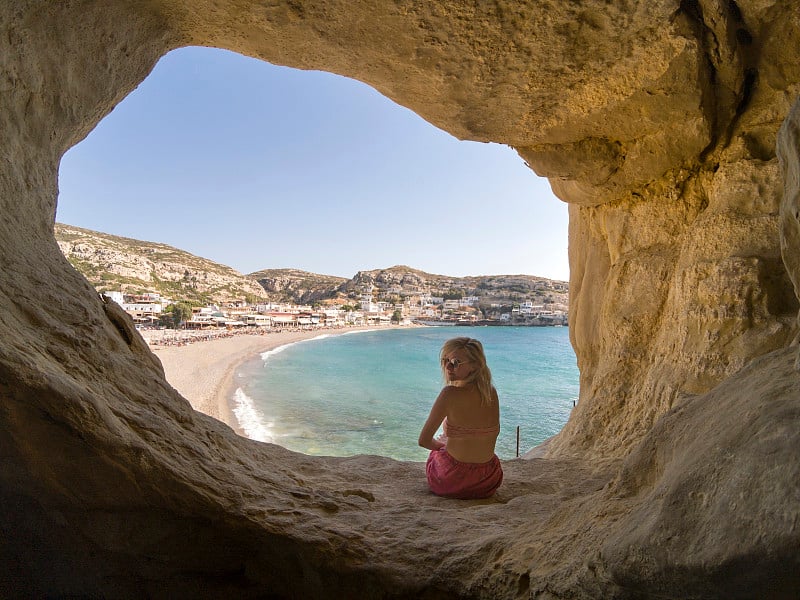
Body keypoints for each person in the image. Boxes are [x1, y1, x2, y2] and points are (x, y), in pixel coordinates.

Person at [418, 337, 503, 499]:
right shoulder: (490, 392)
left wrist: (442, 446)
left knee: (436, 453)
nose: (448, 367)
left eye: (456, 362)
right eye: (446, 361)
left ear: (475, 365)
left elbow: (424, 441)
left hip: (452, 481)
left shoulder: (449, 394)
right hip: (488, 479)